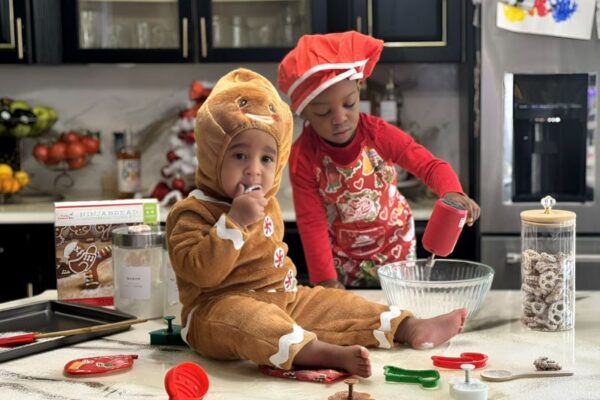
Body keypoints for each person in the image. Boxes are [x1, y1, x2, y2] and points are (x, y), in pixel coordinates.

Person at [166, 68, 467, 378]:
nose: (254, 170)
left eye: (266, 159)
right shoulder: (192, 212)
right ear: (212, 155)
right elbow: (199, 272)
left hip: (284, 298)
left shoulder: (266, 205)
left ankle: (408, 326)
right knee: (248, 321)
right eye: (240, 156)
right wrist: (233, 223)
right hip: (215, 311)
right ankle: (320, 353)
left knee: (337, 304)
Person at [277, 31, 481, 289]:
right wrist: (325, 280)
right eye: (323, 112)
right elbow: (311, 220)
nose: (339, 118)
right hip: (342, 256)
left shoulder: (378, 134)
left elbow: (429, 166)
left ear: (358, 90)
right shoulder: (303, 155)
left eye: (349, 104)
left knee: (398, 316)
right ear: (303, 112)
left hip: (394, 246)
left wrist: (453, 192)